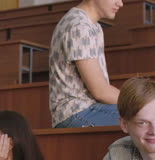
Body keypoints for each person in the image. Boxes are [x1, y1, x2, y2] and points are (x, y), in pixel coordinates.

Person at [49, 0, 124, 128]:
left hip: (90, 109)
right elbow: (101, 92)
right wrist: (141, 103)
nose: (120, 3)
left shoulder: (93, 26)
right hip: (76, 112)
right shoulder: (79, 26)